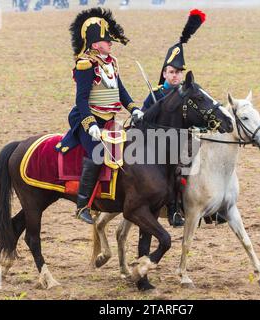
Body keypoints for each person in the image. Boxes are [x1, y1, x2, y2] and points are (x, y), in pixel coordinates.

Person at [55, 7, 143, 225]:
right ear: (95, 44)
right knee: (96, 153)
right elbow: (81, 100)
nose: (110, 42)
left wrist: (134, 108)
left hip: (110, 120)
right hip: (87, 118)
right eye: (106, 40)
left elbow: (120, 91)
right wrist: (90, 124)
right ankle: (82, 204)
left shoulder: (111, 62)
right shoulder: (86, 65)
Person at [141, 9, 206, 228]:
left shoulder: (187, 94)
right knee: (174, 168)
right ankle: (172, 208)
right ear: (164, 73)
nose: (175, 75)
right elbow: (143, 120)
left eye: (179, 72)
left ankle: (206, 208)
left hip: (184, 141)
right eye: (171, 71)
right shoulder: (156, 94)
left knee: (200, 163)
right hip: (156, 146)